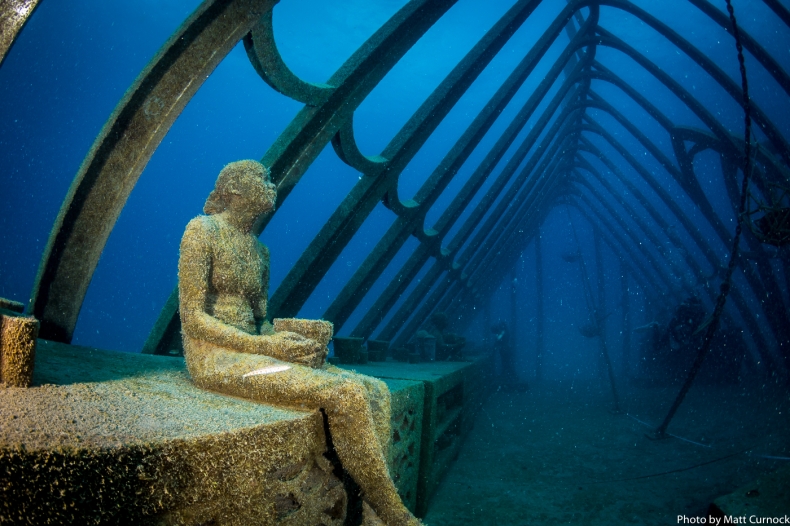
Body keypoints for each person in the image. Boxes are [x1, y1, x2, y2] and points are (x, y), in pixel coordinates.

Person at [178, 160, 420, 526]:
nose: (271, 184)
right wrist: (267, 347)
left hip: (252, 354)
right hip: (217, 359)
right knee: (347, 395)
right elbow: (192, 318)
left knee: (376, 390)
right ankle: (392, 511)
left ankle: (372, 512)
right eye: (263, 178)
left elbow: (259, 321)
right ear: (234, 190)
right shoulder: (202, 231)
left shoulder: (260, 252)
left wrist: (286, 339)